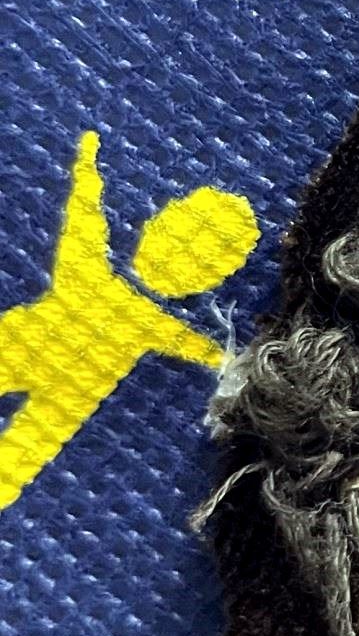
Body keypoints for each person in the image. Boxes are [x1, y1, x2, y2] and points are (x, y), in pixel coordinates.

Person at [0, 131, 259, 511]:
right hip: (72, 382)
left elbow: (84, 220)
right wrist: (86, 170)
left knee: (17, 456)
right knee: (18, 457)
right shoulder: (111, 293)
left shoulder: (99, 281)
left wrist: (87, 170)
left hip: (52, 368)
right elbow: (85, 219)